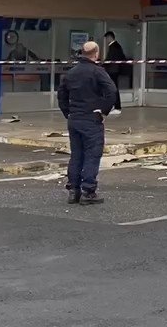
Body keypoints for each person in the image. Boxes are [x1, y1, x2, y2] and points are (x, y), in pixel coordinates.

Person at [56, 41, 117, 205]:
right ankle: (88, 191)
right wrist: (103, 111)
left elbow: (61, 94)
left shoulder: (71, 73)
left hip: (74, 119)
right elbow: (112, 91)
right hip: (91, 119)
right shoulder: (98, 72)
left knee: (76, 155)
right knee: (92, 154)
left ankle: (73, 190)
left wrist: (67, 112)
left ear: (82, 53)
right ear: (96, 54)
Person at [102, 31, 129, 116]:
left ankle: (117, 107)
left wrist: (102, 64)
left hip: (113, 71)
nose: (106, 41)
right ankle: (114, 105)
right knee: (113, 89)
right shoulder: (115, 46)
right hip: (113, 70)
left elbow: (110, 59)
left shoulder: (114, 47)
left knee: (114, 89)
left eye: (107, 38)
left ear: (110, 38)